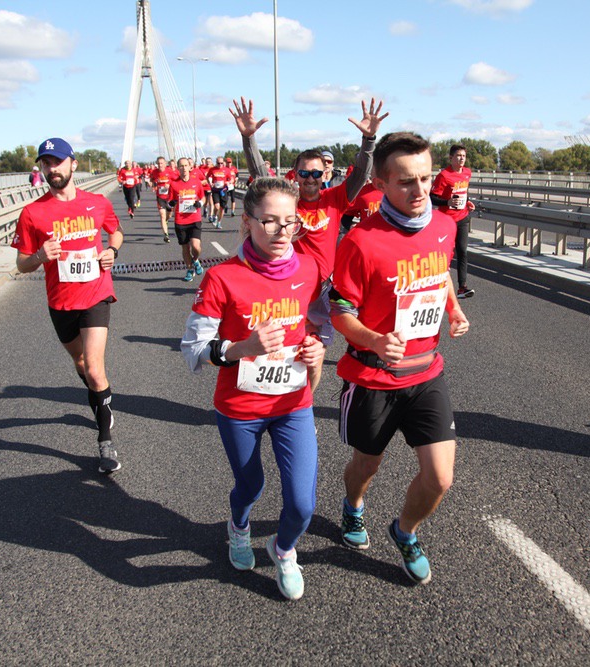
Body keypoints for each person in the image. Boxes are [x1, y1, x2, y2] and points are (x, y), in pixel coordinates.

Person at [329, 132, 470, 585]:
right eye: (406, 181)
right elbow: (340, 311)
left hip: (426, 372)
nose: (420, 189)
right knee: (366, 466)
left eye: (425, 178)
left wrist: (453, 310)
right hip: (373, 377)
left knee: (441, 478)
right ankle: (353, 506)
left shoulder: (444, 225)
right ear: (381, 183)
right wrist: (373, 339)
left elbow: (439, 272)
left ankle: (405, 531)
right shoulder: (361, 241)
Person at [181, 177, 325, 600]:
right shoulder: (222, 277)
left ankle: (283, 549)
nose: (282, 232)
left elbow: (320, 320)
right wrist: (243, 347)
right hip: (240, 407)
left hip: (293, 403)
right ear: (247, 222)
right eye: (269, 221)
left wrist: (317, 345)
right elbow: (192, 350)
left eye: (290, 222)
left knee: (303, 504)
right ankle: (239, 526)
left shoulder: (310, 269)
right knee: (251, 486)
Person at [230, 96, 387, 391]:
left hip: (324, 289)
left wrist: (369, 140)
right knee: (284, 350)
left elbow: (362, 172)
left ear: (324, 174)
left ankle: (304, 404)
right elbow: (260, 176)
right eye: (304, 173)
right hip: (288, 286)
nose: (311, 179)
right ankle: (272, 399)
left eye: (316, 173)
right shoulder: (287, 200)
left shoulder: (336, 198)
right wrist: (248, 138)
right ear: (296, 175)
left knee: (314, 356)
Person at [11, 137, 123, 474]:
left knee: (95, 368)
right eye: (46, 163)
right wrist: (39, 256)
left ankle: (105, 441)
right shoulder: (32, 213)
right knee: (81, 363)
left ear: (73, 164)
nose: (52, 169)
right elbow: (21, 264)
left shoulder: (97, 203)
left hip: (96, 293)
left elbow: (116, 232)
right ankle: (100, 400)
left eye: (57, 162)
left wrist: (112, 251)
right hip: (61, 302)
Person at [431, 144, 476, 298]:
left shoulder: (467, 173)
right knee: (445, 254)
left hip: (462, 218)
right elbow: (432, 197)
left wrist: (467, 202)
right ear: (451, 158)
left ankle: (462, 287)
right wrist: (447, 202)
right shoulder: (444, 175)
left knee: (462, 251)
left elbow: (463, 191)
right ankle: (438, 284)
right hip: (447, 221)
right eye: (458, 156)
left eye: (463, 156)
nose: (461, 159)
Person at [166, 157, 206, 282]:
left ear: (190, 167)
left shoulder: (196, 182)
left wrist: (200, 203)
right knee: (185, 248)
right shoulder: (174, 184)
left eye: (186, 165)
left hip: (194, 218)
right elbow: (168, 203)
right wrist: (171, 204)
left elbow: (203, 197)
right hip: (180, 220)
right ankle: (189, 269)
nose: (184, 168)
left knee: (196, 246)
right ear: (178, 168)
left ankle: (195, 260)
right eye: (181, 166)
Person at [149, 156, 177, 243]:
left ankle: (166, 221)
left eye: (161, 163)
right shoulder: (154, 172)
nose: (160, 165)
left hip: (170, 197)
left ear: (165, 164)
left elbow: (177, 181)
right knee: (162, 215)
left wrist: (170, 184)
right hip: (160, 197)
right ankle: (166, 235)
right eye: (158, 163)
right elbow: (152, 179)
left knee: (169, 215)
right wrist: (152, 184)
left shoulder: (170, 172)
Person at [208, 158, 231, 229]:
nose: (220, 165)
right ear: (216, 163)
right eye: (218, 163)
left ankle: (219, 222)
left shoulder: (226, 170)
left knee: (222, 208)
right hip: (215, 190)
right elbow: (208, 176)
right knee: (217, 206)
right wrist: (210, 183)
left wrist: (228, 182)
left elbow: (231, 179)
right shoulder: (212, 169)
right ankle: (215, 216)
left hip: (223, 190)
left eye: (221, 163)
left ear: (223, 163)